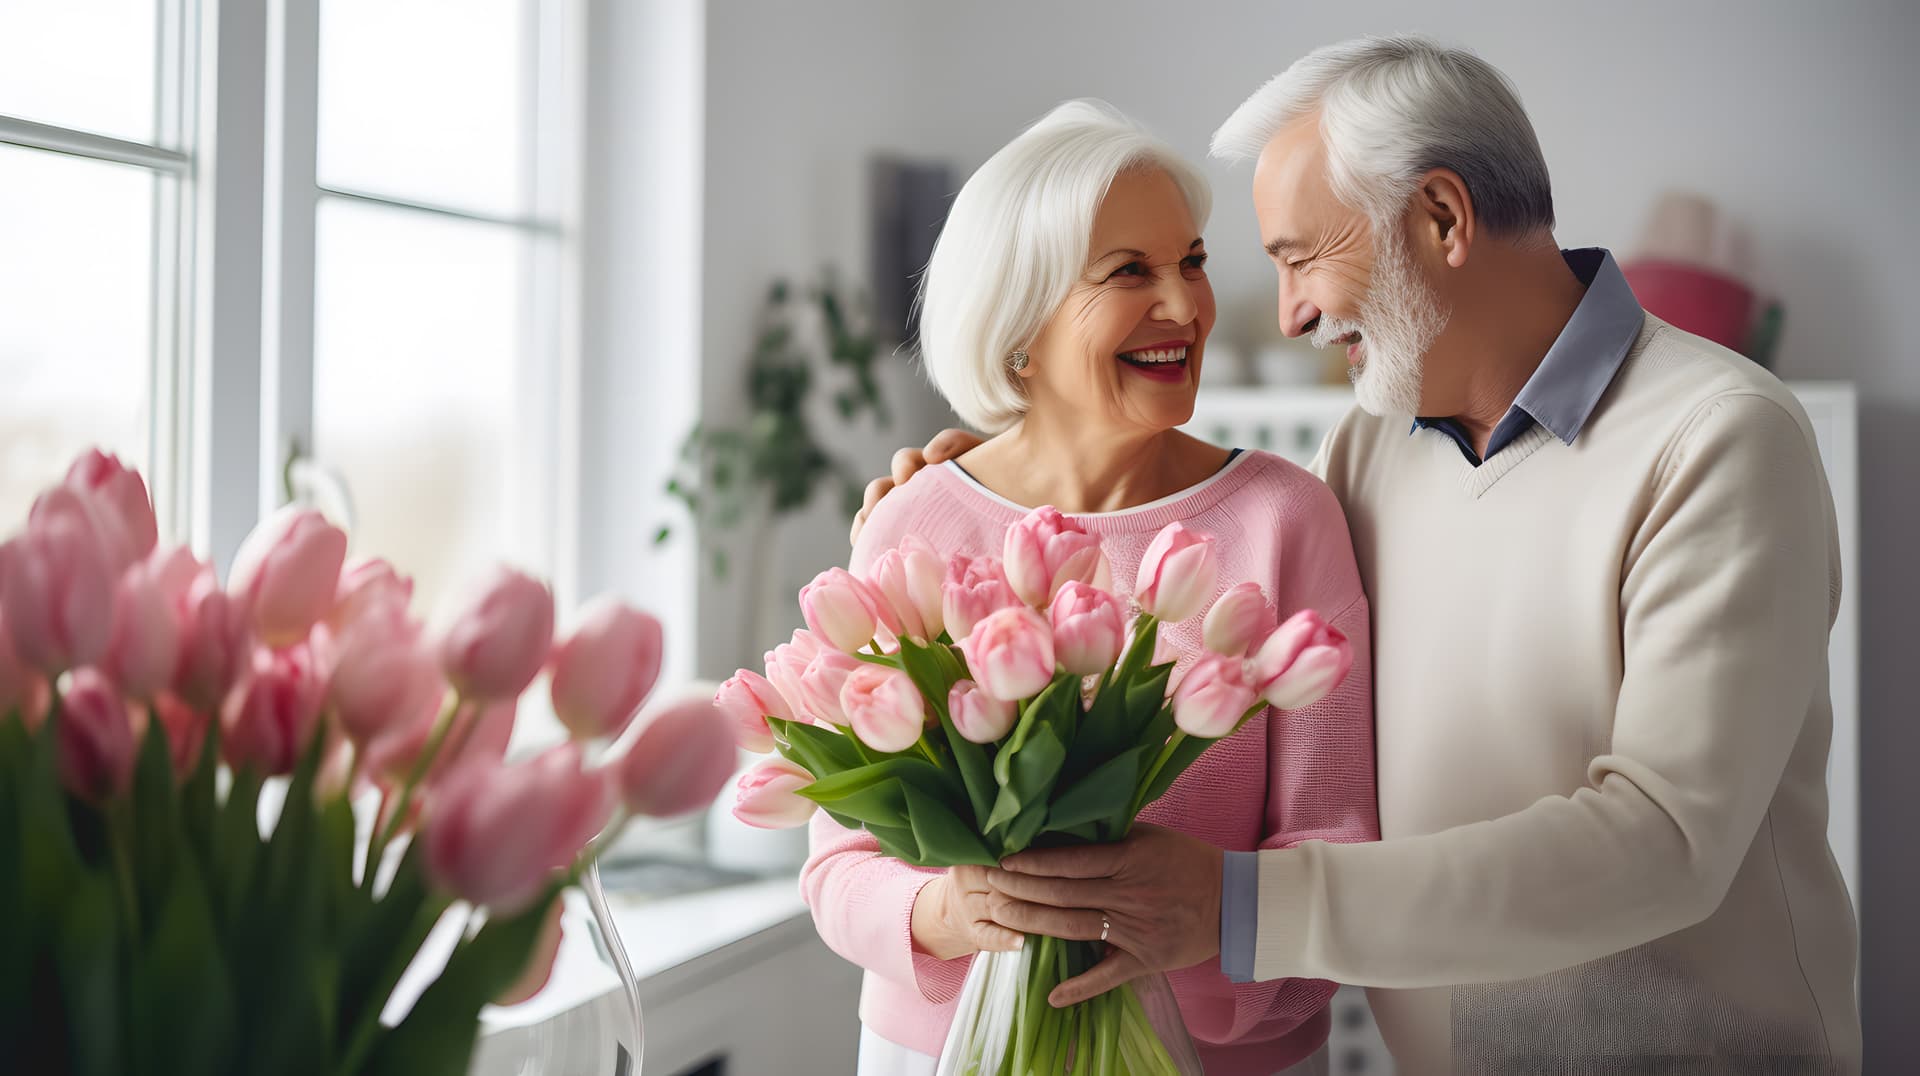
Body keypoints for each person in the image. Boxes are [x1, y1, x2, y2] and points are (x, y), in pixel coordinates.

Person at [859, 37, 1862, 1074]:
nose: (1289, 311)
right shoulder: (1370, 444)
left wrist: (1239, 904)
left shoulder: (1719, 437)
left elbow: (1667, 841)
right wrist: (975, 483)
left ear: (1442, 218)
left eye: (1299, 256)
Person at [804, 100, 1378, 1076]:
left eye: (1191, 260)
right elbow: (836, 865)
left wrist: (1196, 921)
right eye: (1131, 272)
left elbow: (1338, 856)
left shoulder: (1288, 519)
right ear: (1019, 325)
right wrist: (944, 912)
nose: (1187, 303)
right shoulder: (912, 527)